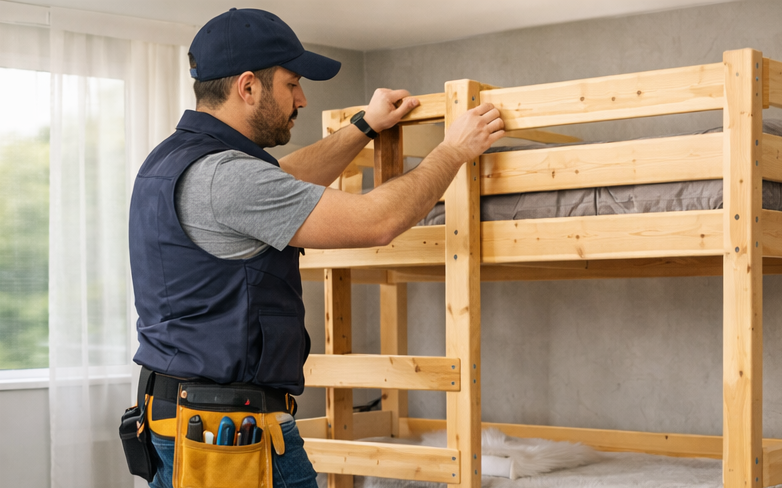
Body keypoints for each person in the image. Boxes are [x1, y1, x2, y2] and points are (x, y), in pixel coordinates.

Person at [128, 7, 505, 488]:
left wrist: (365, 126)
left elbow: (285, 179)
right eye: (292, 84)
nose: (302, 99)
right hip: (230, 432)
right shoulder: (228, 178)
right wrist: (453, 150)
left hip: (183, 418)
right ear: (248, 87)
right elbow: (378, 221)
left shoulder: (177, 161)